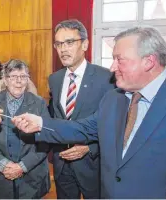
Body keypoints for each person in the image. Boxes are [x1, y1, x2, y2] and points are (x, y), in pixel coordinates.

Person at [0, 26, 166, 198]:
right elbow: (83, 127)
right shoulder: (115, 99)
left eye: (120, 59)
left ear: (148, 61)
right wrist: (39, 124)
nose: (112, 67)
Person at [46, 19, 114, 199]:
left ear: (85, 44)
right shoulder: (54, 79)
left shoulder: (106, 78)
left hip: (92, 164)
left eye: (69, 42)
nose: (63, 49)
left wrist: (90, 148)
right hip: (62, 163)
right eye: (59, 44)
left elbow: (113, 125)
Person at [0, 59, 50, 199]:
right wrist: (2, 163)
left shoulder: (38, 103)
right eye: (13, 76)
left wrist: (22, 166)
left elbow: (46, 140)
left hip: (32, 179)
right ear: (5, 79)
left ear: (28, 80)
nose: (19, 81)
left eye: (23, 76)